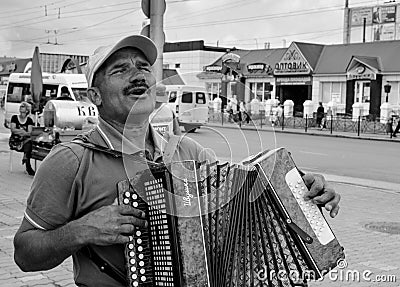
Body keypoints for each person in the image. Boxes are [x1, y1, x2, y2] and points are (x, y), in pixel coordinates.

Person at [13, 35, 340, 286]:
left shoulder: (188, 151)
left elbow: (241, 211)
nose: (138, 74)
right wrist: (79, 231)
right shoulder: (71, 161)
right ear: (94, 96)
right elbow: (25, 254)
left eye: (143, 66)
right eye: (121, 69)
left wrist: (298, 193)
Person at [10, 102, 35, 176]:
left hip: (24, 142)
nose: (21, 107)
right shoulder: (14, 117)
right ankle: (28, 165)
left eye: (23, 106)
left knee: (28, 142)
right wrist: (23, 131)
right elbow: (13, 130)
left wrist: (19, 132)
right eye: (20, 106)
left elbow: (29, 133)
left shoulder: (29, 120)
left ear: (27, 110)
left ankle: (26, 159)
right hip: (15, 141)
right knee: (28, 143)